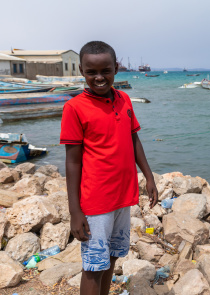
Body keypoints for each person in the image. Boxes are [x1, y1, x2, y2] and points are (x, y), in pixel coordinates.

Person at [60, 41, 158, 295]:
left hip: (122, 197)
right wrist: (75, 211)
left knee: (112, 258)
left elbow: (133, 138)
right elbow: (72, 161)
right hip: (96, 201)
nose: (99, 78)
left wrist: (148, 177)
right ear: (81, 71)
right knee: (93, 267)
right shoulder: (74, 108)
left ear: (116, 68)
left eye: (106, 71)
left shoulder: (124, 99)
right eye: (91, 72)